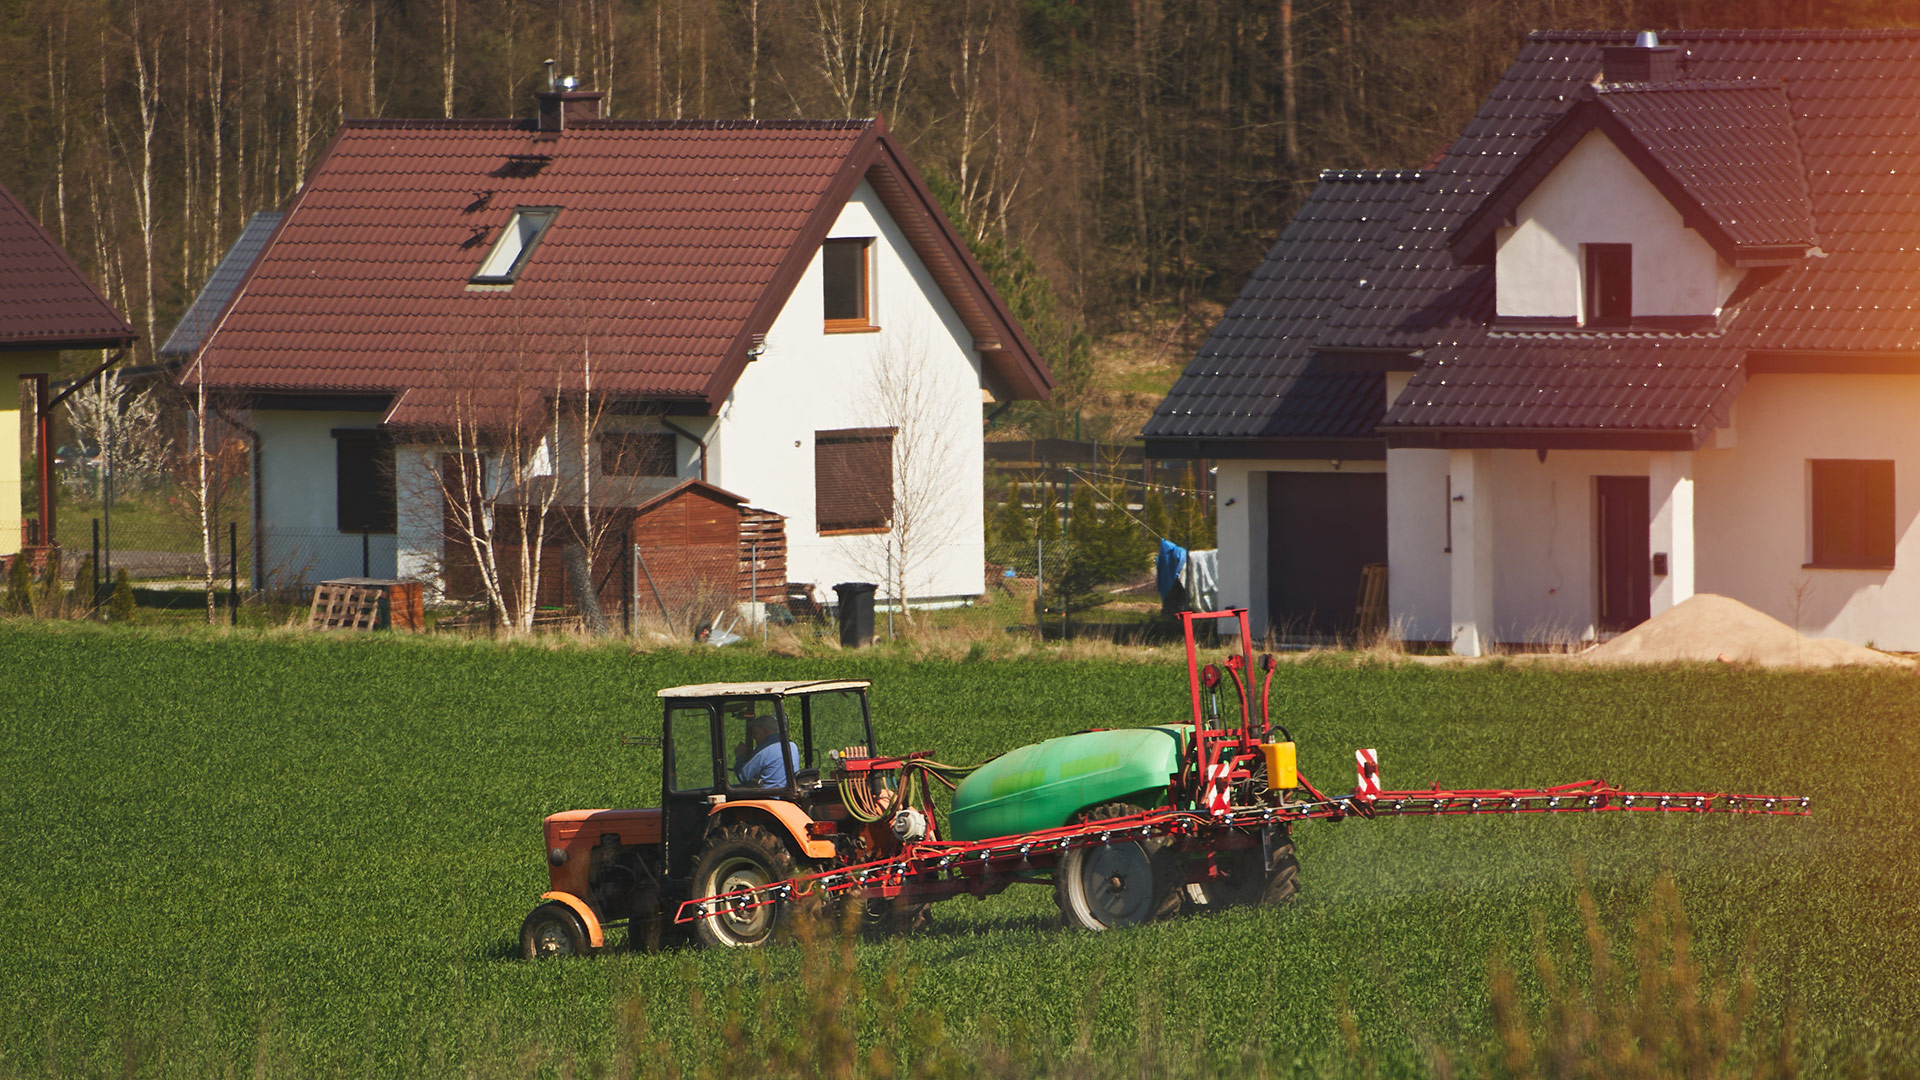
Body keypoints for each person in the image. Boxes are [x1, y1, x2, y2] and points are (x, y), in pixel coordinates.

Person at [731, 707, 798, 788]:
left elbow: (744, 776)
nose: (753, 737)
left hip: (769, 796)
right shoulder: (792, 745)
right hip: (786, 794)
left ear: (765, 731)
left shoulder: (764, 750)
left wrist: (740, 756)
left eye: (755, 733)